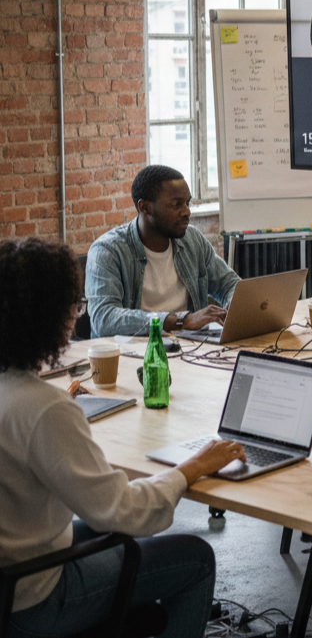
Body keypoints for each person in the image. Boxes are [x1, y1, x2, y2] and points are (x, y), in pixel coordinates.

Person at [0, 237, 246, 637]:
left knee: (107, 532)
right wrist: (194, 466)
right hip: (32, 601)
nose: (76, 315)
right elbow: (124, 510)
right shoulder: (45, 409)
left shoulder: (21, 395)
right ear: (48, 317)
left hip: (14, 570)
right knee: (196, 558)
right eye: (74, 305)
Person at [86, 165, 240, 337]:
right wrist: (180, 321)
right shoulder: (108, 251)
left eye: (187, 203)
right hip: (134, 356)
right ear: (145, 207)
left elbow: (230, 285)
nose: (187, 212)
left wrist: (234, 311)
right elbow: (104, 319)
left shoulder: (192, 240)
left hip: (192, 351)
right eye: (176, 205)